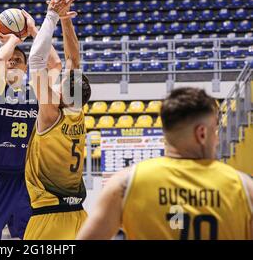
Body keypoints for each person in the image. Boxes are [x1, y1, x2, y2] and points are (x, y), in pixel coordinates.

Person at [77, 87, 253, 240]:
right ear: (202, 134)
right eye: (215, 130)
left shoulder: (126, 184)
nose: (217, 139)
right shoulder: (244, 188)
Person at [0, 9, 62, 240]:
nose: (12, 62)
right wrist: (13, 38)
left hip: (28, 179)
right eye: (10, 60)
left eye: (18, 60)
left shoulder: (38, 93)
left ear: (26, 68)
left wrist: (33, 31)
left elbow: (55, 65)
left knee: (29, 237)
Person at [23, 0, 91, 240]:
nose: (60, 78)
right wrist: (65, 19)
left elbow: (37, 61)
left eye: (62, 80)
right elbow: (73, 59)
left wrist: (52, 14)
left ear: (65, 92)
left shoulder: (51, 113)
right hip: (79, 215)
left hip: (49, 217)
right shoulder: (76, 112)